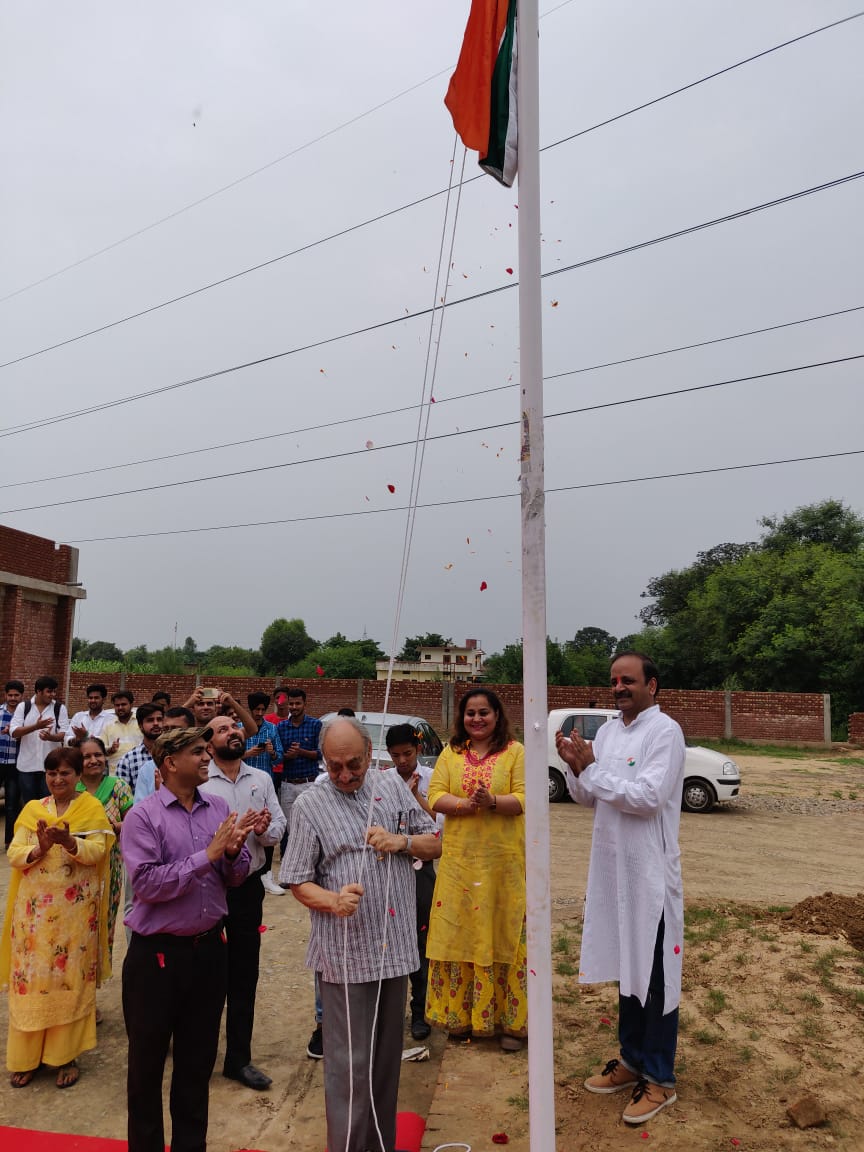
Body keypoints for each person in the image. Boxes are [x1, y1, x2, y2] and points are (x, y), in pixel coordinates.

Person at [281, 717, 440, 1152]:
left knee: (386, 1061)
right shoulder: (311, 805)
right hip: (344, 954)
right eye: (335, 766)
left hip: (396, 946)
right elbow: (296, 879)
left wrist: (400, 842)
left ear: (371, 756)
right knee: (348, 1066)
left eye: (353, 764)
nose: (345, 775)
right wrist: (332, 901)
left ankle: (381, 1144)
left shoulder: (391, 788)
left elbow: (436, 842)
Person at [555, 651, 685, 1126]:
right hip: (613, 872)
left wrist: (592, 771)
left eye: (628, 680)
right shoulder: (608, 732)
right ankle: (631, 1060)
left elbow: (648, 798)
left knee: (654, 978)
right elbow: (588, 796)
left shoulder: (664, 732)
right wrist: (574, 767)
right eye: (614, 680)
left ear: (653, 685)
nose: (619, 688)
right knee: (626, 969)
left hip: (650, 876)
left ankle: (660, 1078)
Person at [121, 726, 253, 1152]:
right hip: (156, 958)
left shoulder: (218, 808)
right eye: (197, 751)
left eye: (206, 750)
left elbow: (235, 876)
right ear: (170, 762)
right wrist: (208, 855)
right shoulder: (143, 817)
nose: (206, 757)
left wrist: (233, 853)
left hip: (210, 952)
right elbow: (147, 886)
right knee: (146, 1068)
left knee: (197, 1066)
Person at [1, 745, 113, 1089]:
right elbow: (14, 853)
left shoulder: (91, 809)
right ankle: (26, 1058)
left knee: (68, 980)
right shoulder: (34, 809)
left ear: (78, 776)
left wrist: (69, 842)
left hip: (74, 918)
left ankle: (64, 1056)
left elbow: (98, 851)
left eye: (65, 773)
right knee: (32, 980)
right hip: (33, 917)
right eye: (52, 773)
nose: (57, 779)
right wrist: (41, 848)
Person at [425, 689, 527, 1052]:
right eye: (470, 713)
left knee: (503, 933)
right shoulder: (451, 753)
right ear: (461, 717)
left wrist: (494, 802)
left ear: (498, 715)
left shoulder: (515, 752)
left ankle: (510, 1024)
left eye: (484, 712)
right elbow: (434, 794)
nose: (477, 719)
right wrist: (466, 805)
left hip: (502, 865)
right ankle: (460, 1018)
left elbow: (527, 798)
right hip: (460, 865)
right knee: (459, 933)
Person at [201, 716, 285, 1090]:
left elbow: (279, 828)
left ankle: (238, 1059)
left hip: (248, 889)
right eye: (222, 729)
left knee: (243, 974)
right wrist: (227, 837)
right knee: (203, 976)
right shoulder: (200, 781)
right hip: (207, 889)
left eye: (235, 728)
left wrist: (266, 829)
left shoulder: (261, 779)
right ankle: (199, 1056)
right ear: (207, 744)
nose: (233, 732)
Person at [384, 722, 439, 1042]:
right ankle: (391, 1014)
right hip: (391, 869)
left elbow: (440, 827)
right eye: (395, 756)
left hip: (422, 869)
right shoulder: (383, 781)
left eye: (407, 754)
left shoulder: (434, 779)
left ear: (418, 750)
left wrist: (416, 796)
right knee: (390, 940)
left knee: (421, 943)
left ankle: (420, 1013)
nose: (402, 761)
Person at [77, 737, 134, 962]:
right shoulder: (73, 788)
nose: (93, 760)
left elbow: (131, 823)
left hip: (110, 864)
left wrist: (109, 828)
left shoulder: (118, 786)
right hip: (78, 864)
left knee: (104, 915)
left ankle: (99, 966)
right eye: (86, 756)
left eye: (97, 755)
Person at [243, 692, 285, 896]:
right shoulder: (240, 729)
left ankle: (266, 873)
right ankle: (246, 870)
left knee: (267, 827)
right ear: (250, 709)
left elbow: (279, 759)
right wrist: (247, 754)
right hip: (242, 785)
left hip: (265, 785)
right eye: (256, 709)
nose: (259, 713)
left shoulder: (272, 729)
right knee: (246, 828)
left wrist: (271, 752)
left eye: (262, 709)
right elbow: (230, 757)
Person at [275, 688, 322, 854]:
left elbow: (320, 754)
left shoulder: (316, 725)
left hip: (308, 783)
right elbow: (277, 757)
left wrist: (301, 752)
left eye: (298, 703)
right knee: (289, 828)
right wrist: (288, 756)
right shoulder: (281, 727)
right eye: (291, 704)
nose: (294, 707)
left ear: (305, 704)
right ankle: (289, 870)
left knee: (311, 825)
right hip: (288, 784)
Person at [11, 676, 70, 807]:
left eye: (54, 691)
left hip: (51, 768)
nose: (52, 695)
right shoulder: (23, 707)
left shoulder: (59, 708)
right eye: (49, 691)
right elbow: (14, 732)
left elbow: (65, 735)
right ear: (38, 691)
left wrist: (51, 737)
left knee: (49, 805)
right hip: (26, 766)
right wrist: (36, 727)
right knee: (30, 806)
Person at [132, 706, 193, 802]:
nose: (169, 734)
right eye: (166, 729)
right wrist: (159, 796)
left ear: (191, 731)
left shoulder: (202, 764)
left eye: (175, 729)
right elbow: (140, 812)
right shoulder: (149, 770)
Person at [114, 703, 164, 794]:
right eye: (150, 720)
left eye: (159, 719)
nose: (156, 723)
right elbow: (123, 799)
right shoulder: (128, 760)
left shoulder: (174, 755)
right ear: (140, 726)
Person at [1, 680, 24, 846]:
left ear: (21, 696)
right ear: (5, 695)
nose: (13, 698)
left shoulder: (24, 716)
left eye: (16, 695)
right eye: (10, 695)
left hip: (15, 765)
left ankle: (9, 842)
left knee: (11, 805)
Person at [103, 691, 141, 771]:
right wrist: (111, 749)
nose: (120, 707)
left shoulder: (140, 723)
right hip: (115, 774)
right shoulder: (108, 726)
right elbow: (101, 749)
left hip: (138, 770)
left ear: (131, 705)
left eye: (123, 704)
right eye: (117, 705)